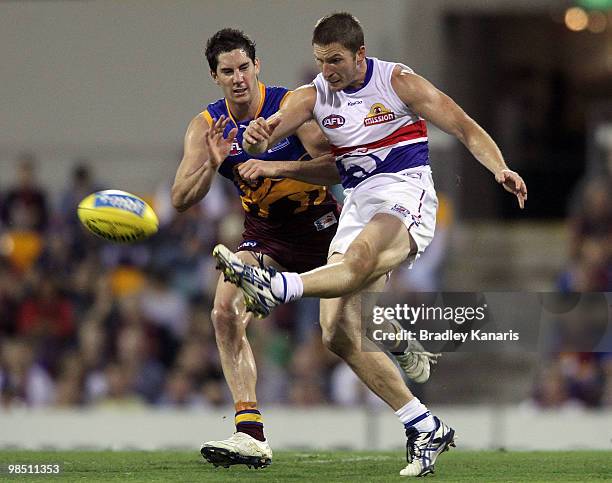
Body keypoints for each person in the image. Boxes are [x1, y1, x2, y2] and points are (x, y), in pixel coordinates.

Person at [212, 13, 528, 477]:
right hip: (359, 202)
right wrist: (258, 136)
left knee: (358, 262)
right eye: (321, 61)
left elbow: (463, 126)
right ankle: (423, 423)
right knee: (337, 332)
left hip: (405, 192)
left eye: (336, 60)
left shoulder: (398, 82)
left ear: (359, 55)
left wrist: (498, 167)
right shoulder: (315, 93)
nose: (328, 71)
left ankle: (277, 288)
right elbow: (274, 126)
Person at [172, 28, 344, 470]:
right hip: (265, 236)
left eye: (244, 68)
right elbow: (180, 198)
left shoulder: (290, 107)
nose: (238, 78)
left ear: (257, 67)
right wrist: (212, 165)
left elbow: (335, 169)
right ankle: (250, 432)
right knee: (224, 310)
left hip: (323, 231)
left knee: (344, 335)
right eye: (227, 71)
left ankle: (398, 342)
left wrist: (273, 163)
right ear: (214, 76)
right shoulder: (207, 126)